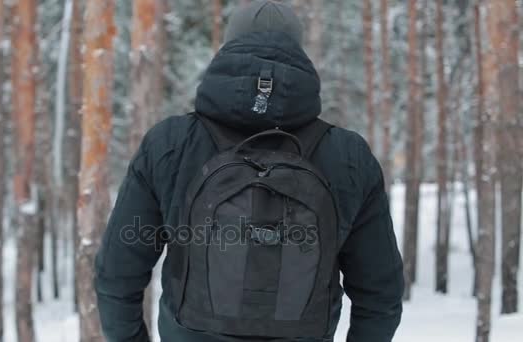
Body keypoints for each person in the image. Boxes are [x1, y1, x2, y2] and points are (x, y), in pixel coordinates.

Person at [95, 1, 404, 341]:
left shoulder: (170, 144)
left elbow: (116, 275)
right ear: (299, 53)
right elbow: (380, 292)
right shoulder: (348, 155)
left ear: (227, 47)